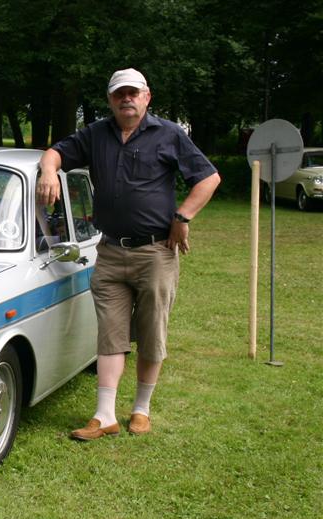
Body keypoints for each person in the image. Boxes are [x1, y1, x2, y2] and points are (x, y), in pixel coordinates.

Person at [36, 68, 221, 440]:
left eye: (133, 93)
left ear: (146, 96)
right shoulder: (96, 135)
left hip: (156, 252)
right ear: (110, 100)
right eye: (120, 94)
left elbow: (209, 177)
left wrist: (183, 216)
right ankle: (105, 415)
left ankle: (141, 409)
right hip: (109, 251)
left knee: (152, 332)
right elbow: (55, 152)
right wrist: (49, 171)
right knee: (110, 333)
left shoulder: (169, 134)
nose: (127, 99)